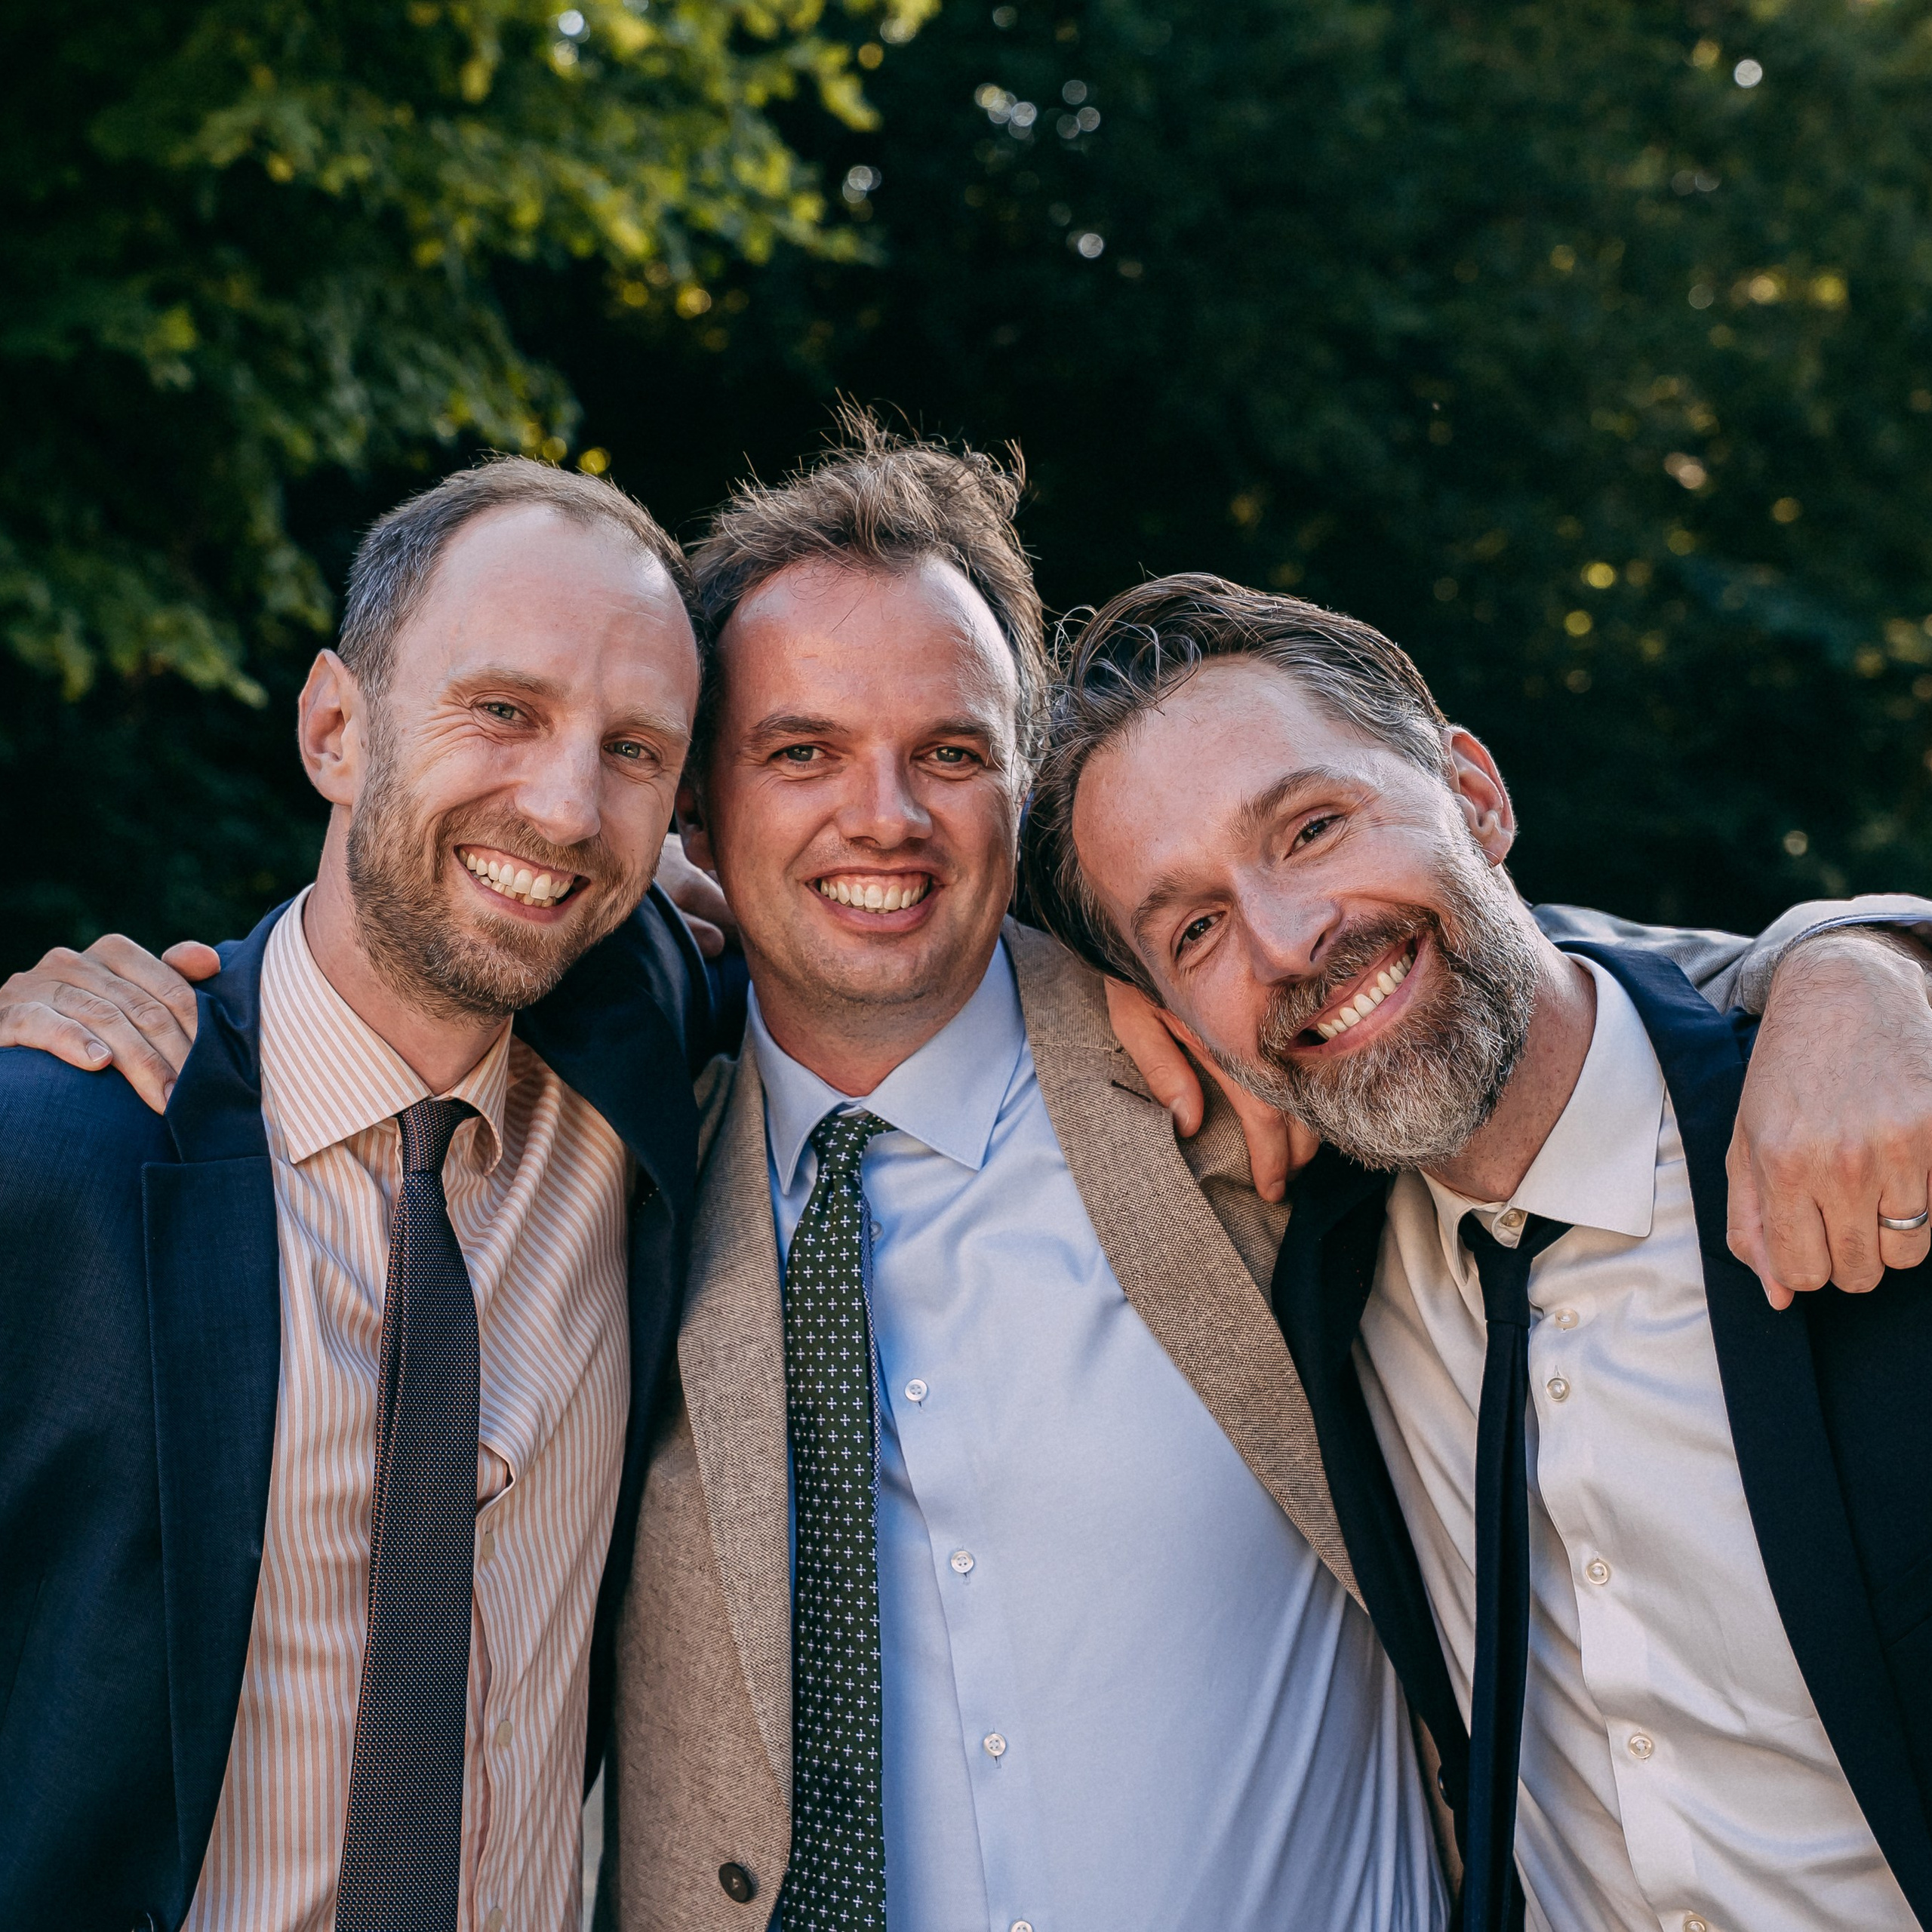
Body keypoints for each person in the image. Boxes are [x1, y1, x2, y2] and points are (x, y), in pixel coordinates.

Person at [11, 435, 1932, 1932]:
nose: (882, 814)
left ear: (1020, 793)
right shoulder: (609, 1121)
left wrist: (1847, 962)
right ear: (700, 818)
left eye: (948, 749)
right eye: (799, 751)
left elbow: (1478, 989)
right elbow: (389, 955)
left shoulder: (1237, 1101)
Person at [1023, 570, 1932, 1932]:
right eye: (1195, 927)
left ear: (1478, 795)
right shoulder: (1317, 1269)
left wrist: (1868, 957)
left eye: (1314, 827)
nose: (1288, 943)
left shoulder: (1859, 1122)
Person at [0, 457, 718, 1932]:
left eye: (634, 748)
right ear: (334, 725)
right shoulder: (63, 1146)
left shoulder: (648, 1041)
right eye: (503, 710)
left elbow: (902, 911)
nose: (568, 804)